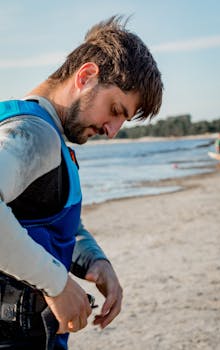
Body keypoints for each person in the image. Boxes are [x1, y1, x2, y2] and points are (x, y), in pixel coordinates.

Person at [0, 16, 163, 349]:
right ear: (86, 76)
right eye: (115, 110)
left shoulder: (48, 138)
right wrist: (57, 283)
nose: (112, 130)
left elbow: (44, 223)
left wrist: (96, 262)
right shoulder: (34, 135)